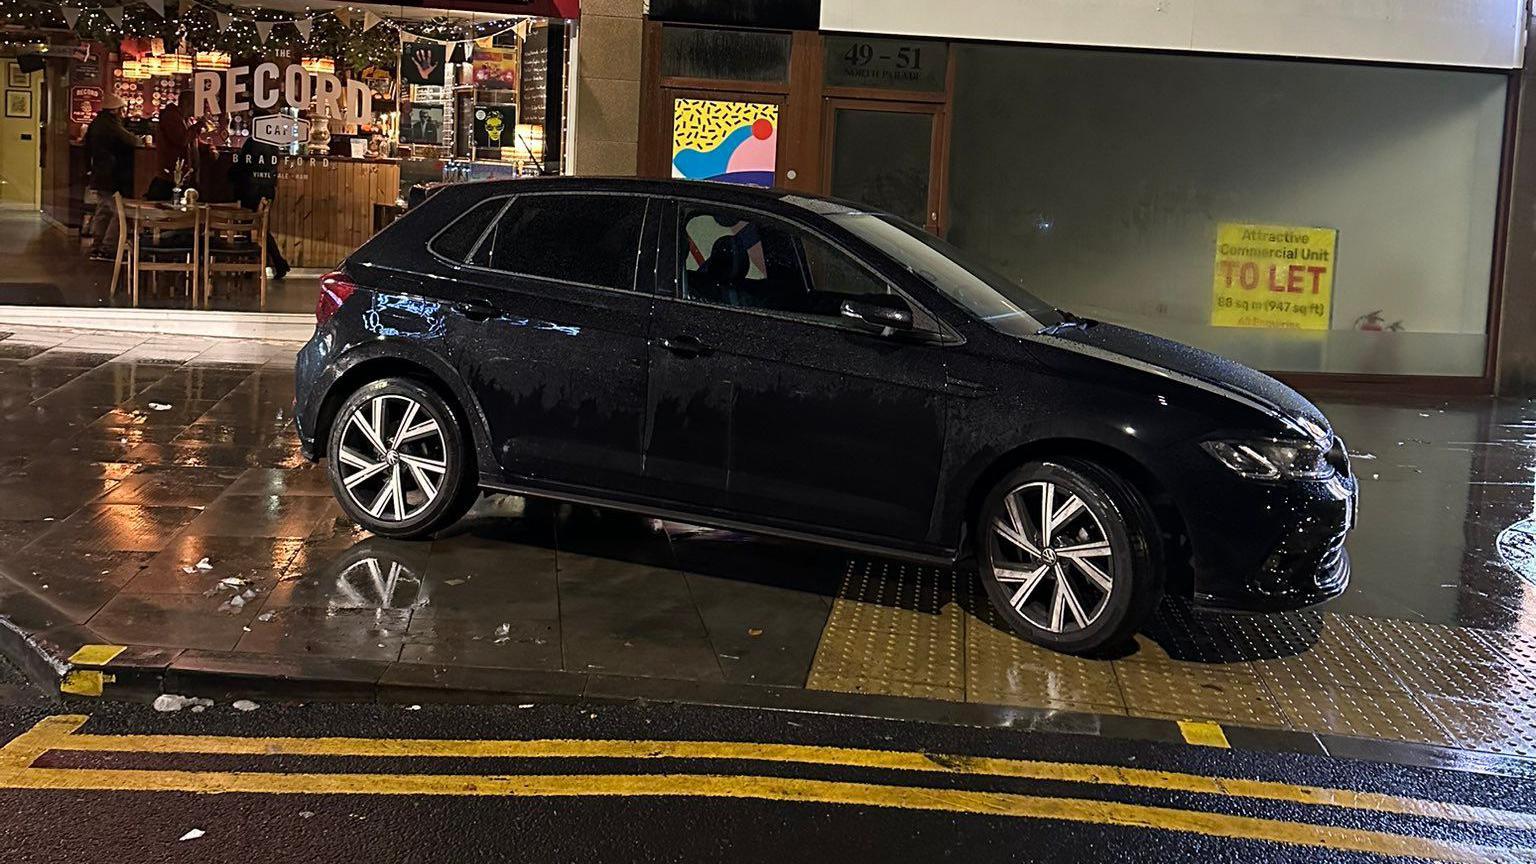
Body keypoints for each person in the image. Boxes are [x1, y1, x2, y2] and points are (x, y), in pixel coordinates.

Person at [86, 93, 144, 260]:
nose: (123, 112)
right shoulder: (110, 124)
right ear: (115, 110)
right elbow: (133, 142)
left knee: (104, 211)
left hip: (100, 174)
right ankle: (108, 248)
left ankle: (97, 246)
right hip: (111, 175)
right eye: (121, 109)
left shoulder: (97, 123)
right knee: (120, 213)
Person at [228, 133, 290, 279]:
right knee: (261, 228)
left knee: (250, 227)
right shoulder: (273, 143)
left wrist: (230, 173)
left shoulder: (253, 141)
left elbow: (243, 165)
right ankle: (273, 263)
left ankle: (255, 266)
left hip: (251, 189)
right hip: (267, 189)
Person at [147, 90, 198, 201]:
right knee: (165, 209)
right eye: (196, 104)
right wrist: (198, 127)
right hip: (170, 175)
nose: (197, 108)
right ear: (187, 103)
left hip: (178, 176)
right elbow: (182, 139)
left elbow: (190, 141)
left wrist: (209, 147)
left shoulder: (185, 119)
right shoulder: (171, 117)